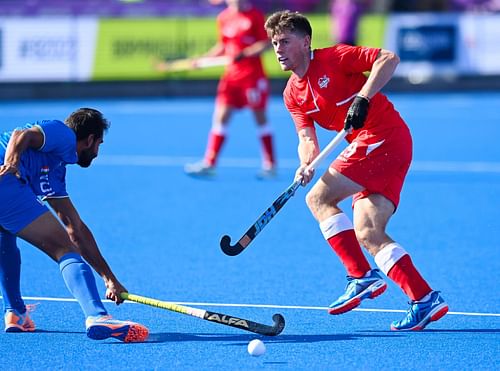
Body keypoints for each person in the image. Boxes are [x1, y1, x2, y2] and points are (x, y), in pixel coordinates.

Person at [264, 11, 448, 330]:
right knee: (368, 231)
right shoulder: (291, 94)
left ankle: (361, 276)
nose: (278, 49)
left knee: (318, 199)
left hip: (383, 136)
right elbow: (306, 137)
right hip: (377, 149)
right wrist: (306, 163)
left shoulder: (335, 57)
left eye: (284, 41)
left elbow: (388, 58)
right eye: (274, 43)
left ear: (305, 42)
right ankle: (424, 298)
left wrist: (363, 97)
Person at [0, 108, 149, 342]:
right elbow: (21, 135)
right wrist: (12, 163)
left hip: (7, 189)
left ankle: (16, 313)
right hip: (5, 178)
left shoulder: (53, 171)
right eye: (98, 143)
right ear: (89, 139)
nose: (97, 152)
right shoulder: (64, 134)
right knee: (65, 249)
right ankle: (97, 316)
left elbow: (75, 228)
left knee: (5, 235)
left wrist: (109, 278)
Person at [184, 0, 276, 179]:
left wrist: (246, 53)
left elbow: (266, 43)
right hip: (231, 78)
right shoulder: (224, 17)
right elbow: (223, 46)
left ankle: (270, 164)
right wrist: (203, 60)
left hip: (252, 76)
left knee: (260, 117)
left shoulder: (255, 16)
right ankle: (210, 163)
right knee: (220, 116)